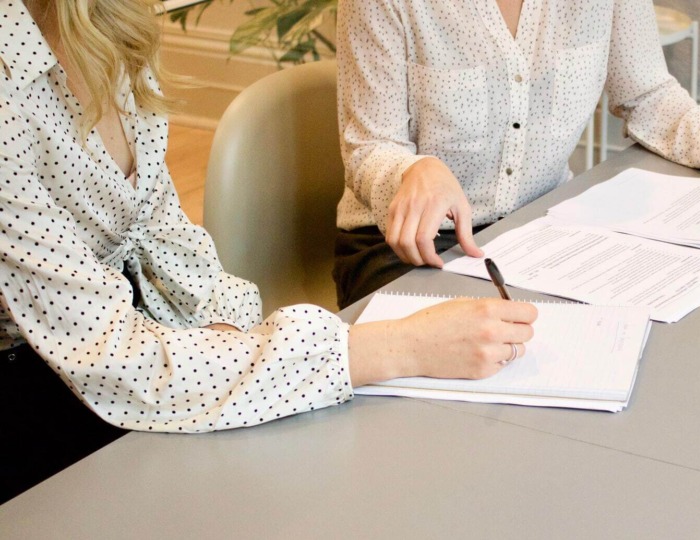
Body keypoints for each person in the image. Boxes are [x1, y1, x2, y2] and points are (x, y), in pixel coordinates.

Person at [0, 0, 537, 504]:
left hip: (128, 344)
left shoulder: (109, 25)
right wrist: (397, 348)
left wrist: (228, 331)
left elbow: (162, 234)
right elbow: (113, 358)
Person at [334, 0, 700, 308]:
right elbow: (369, 146)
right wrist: (414, 171)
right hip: (405, 248)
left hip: (539, 232)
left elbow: (646, 93)